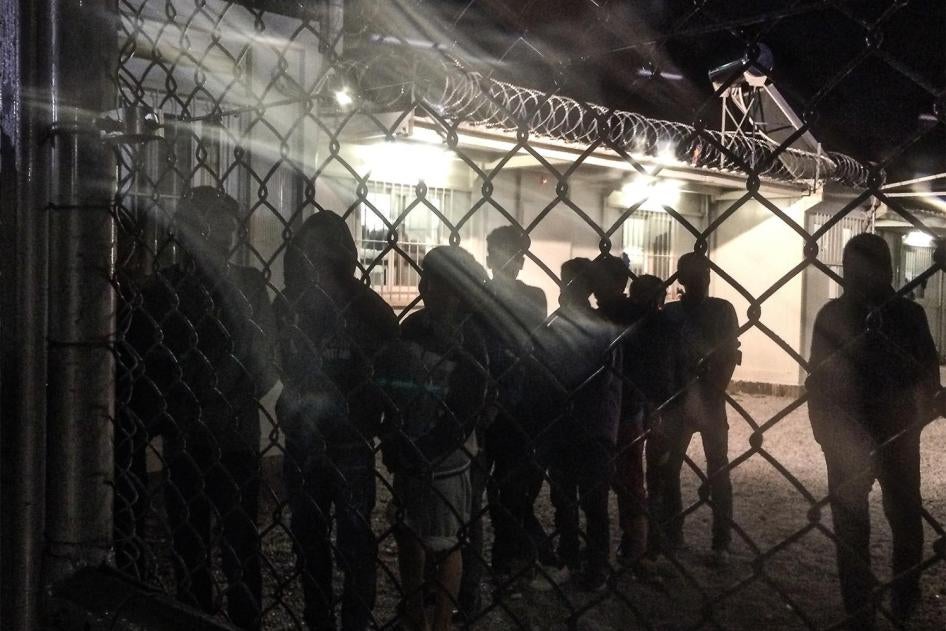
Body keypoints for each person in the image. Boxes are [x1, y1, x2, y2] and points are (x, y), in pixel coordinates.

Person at [127, 186, 277, 629]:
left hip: (203, 436)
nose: (226, 237)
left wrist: (188, 395)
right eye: (216, 228)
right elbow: (262, 366)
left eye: (230, 228)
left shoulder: (172, 287)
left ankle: (213, 617)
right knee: (217, 544)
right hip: (212, 435)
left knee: (211, 544)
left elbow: (264, 362)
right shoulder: (178, 288)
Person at [273, 212, 398, 631]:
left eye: (324, 252)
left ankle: (355, 623)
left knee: (355, 541)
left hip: (348, 443)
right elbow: (279, 358)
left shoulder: (366, 308)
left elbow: (389, 364)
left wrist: (372, 408)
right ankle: (319, 619)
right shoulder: (289, 302)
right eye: (309, 252)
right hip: (305, 439)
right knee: (309, 539)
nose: (315, 261)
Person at [807, 233, 939, 629]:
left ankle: (866, 607)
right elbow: (928, 379)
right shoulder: (905, 316)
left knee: (863, 522)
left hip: (864, 434)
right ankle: (897, 597)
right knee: (899, 519)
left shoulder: (836, 314)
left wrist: (828, 431)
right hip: (886, 432)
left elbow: (818, 382)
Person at [377, 245, 490, 631]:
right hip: (411, 445)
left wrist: (423, 449)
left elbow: (466, 410)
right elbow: (390, 384)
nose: (424, 286)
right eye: (424, 277)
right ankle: (414, 612)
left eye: (435, 280)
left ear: (458, 289)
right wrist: (393, 434)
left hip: (446, 457)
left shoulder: (471, 340)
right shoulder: (413, 327)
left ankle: (440, 620)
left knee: (445, 540)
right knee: (408, 532)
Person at [465, 227, 550, 604]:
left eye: (510, 254)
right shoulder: (483, 295)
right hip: (490, 401)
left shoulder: (529, 296)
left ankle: (508, 557)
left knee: (509, 489)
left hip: (519, 405)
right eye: (496, 252)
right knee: (480, 487)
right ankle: (498, 560)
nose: (501, 260)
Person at [534, 257, 622, 591]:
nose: (562, 289)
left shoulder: (596, 328)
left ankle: (592, 565)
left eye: (569, 283)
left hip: (586, 427)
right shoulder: (562, 324)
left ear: (584, 287)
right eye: (562, 282)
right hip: (575, 426)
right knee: (569, 498)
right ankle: (577, 559)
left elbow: (602, 383)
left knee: (590, 501)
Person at [657, 252, 739, 566]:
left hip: (682, 398)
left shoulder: (673, 313)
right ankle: (719, 542)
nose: (701, 282)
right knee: (715, 470)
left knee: (673, 469)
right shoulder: (721, 311)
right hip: (704, 399)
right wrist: (715, 387)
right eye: (698, 277)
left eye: (701, 277)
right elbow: (729, 354)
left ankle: (677, 535)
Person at [592, 257, 667, 572]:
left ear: (619, 283)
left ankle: (631, 545)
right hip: (625, 408)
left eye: (600, 279)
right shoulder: (643, 317)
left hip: (611, 409)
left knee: (615, 480)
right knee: (630, 480)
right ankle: (635, 546)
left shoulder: (607, 315)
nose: (594, 286)